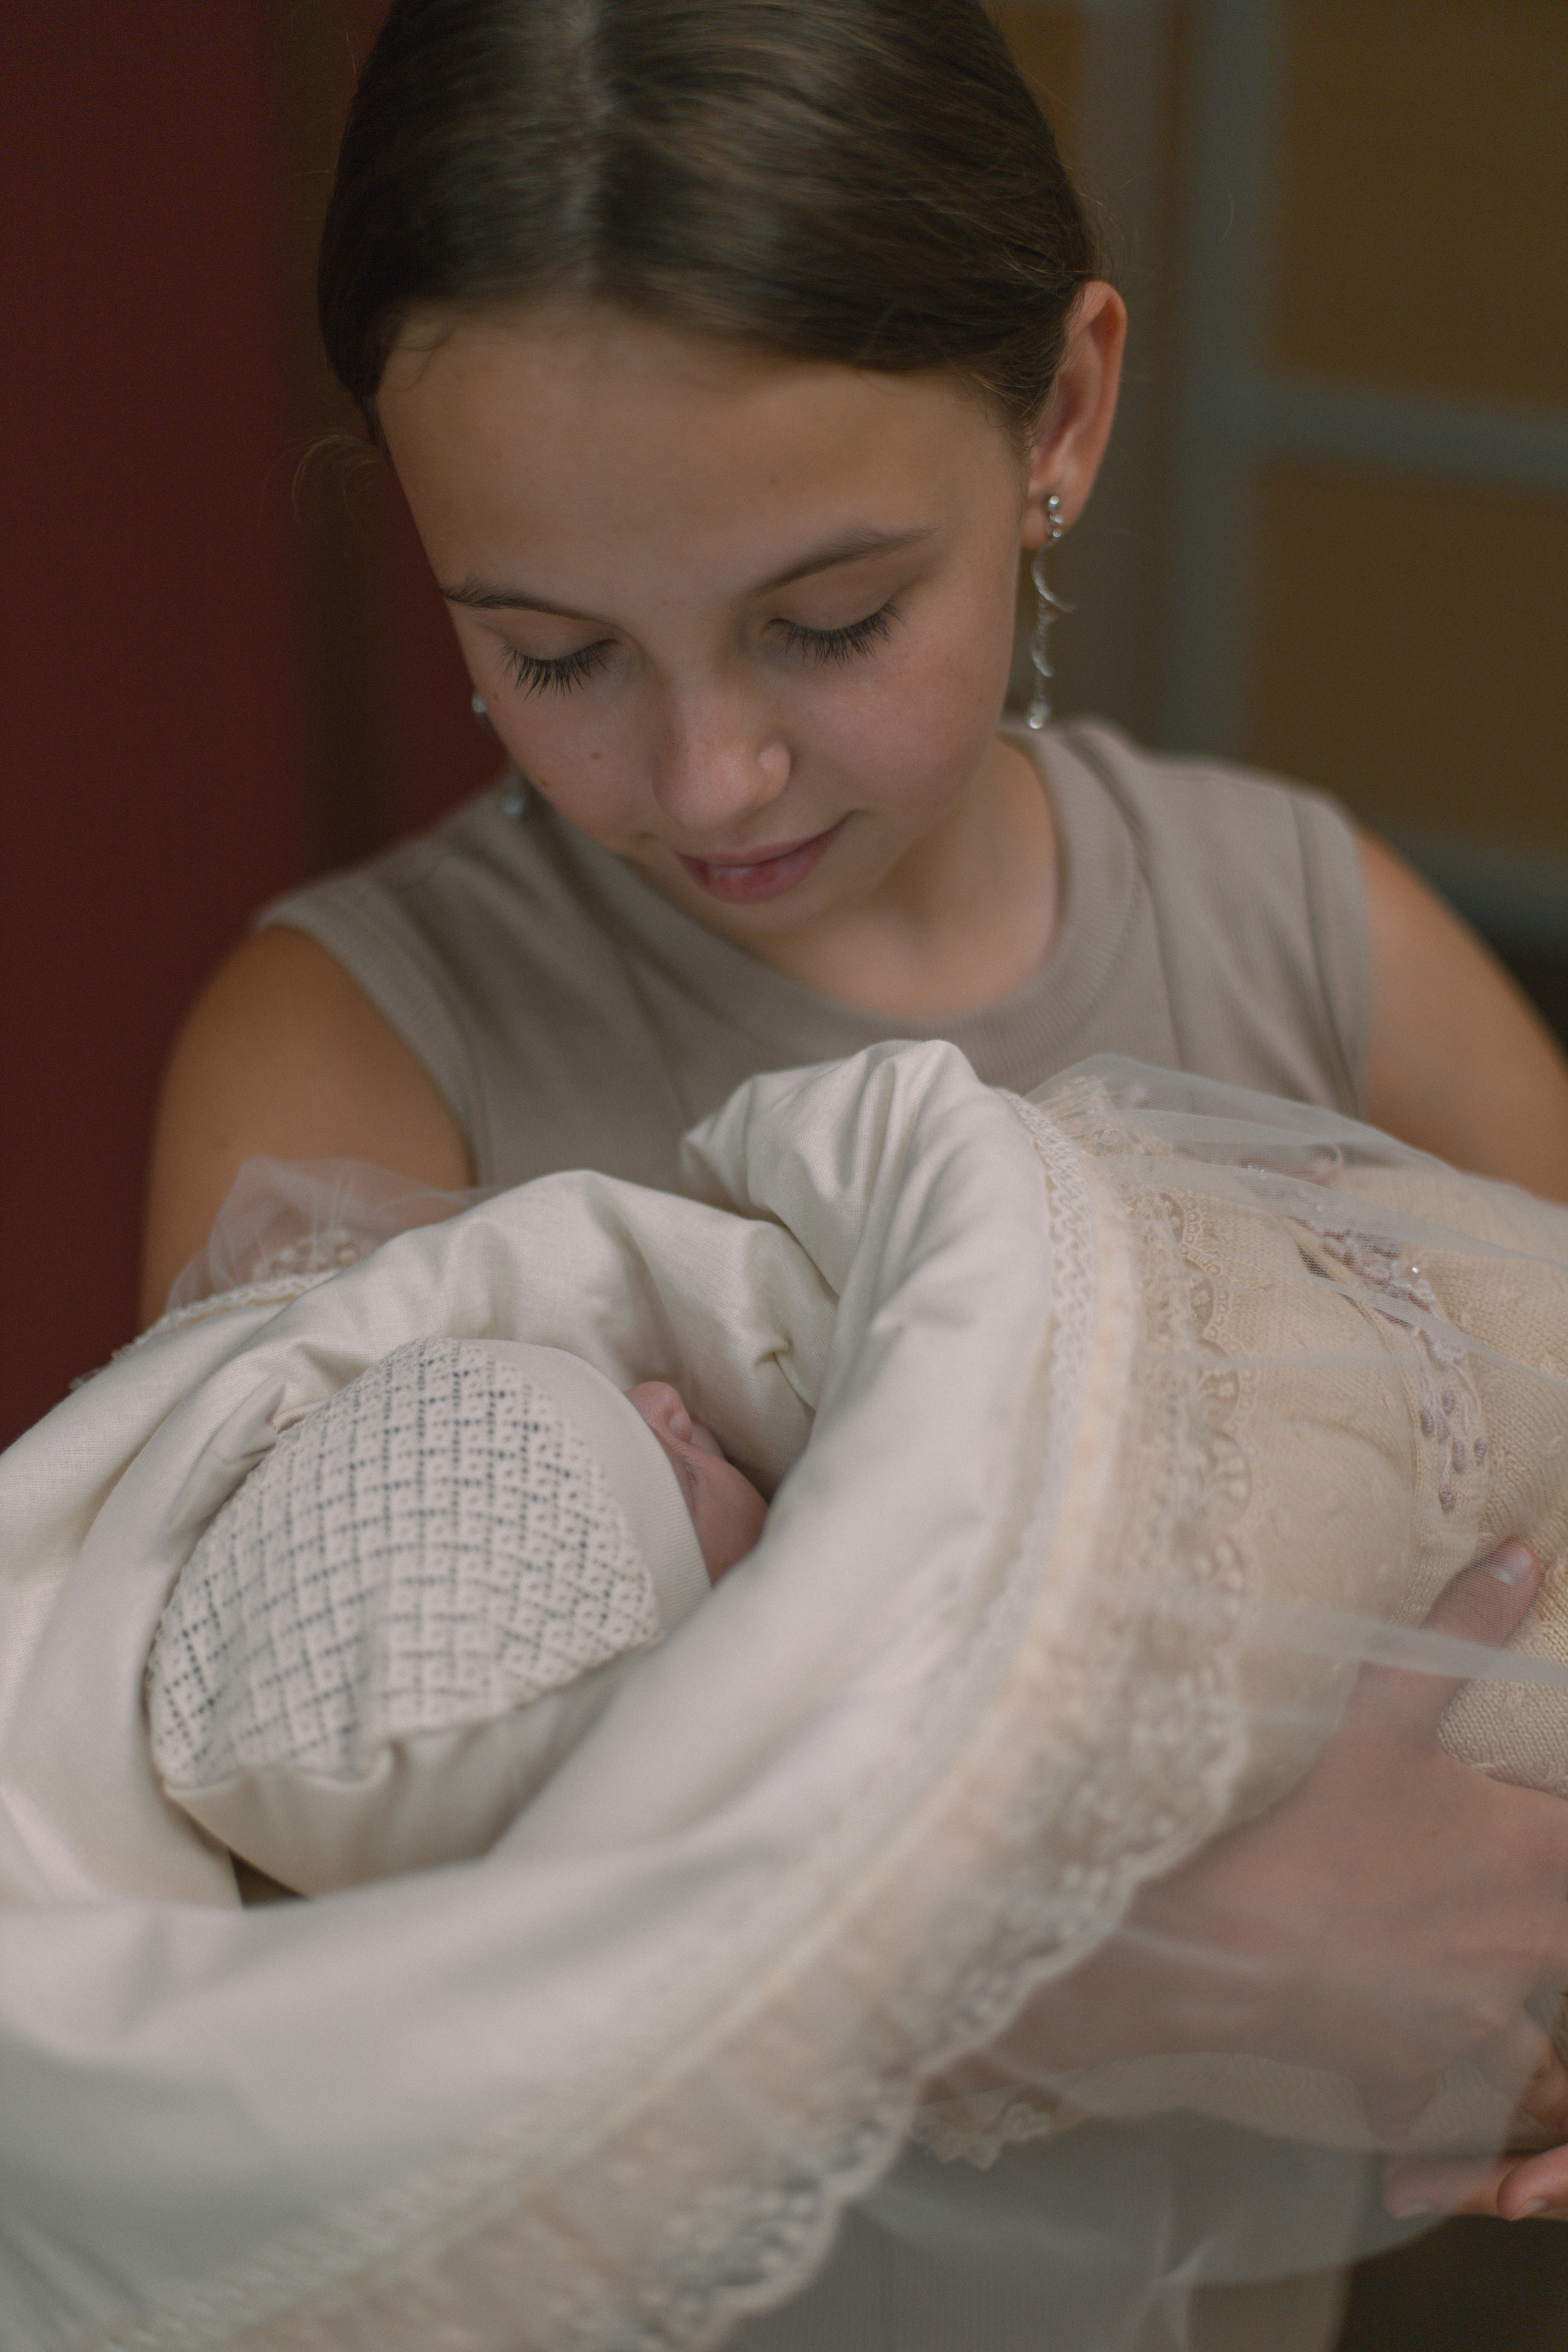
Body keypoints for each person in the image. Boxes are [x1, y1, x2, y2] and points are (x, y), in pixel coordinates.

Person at [129, 0, 1568, 2315]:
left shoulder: (1314, 938)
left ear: (1063, 420)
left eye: (829, 622)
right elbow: (321, 2005)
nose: (709, 781)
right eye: (556, 652)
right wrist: (1180, 1961)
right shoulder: (348, 1066)